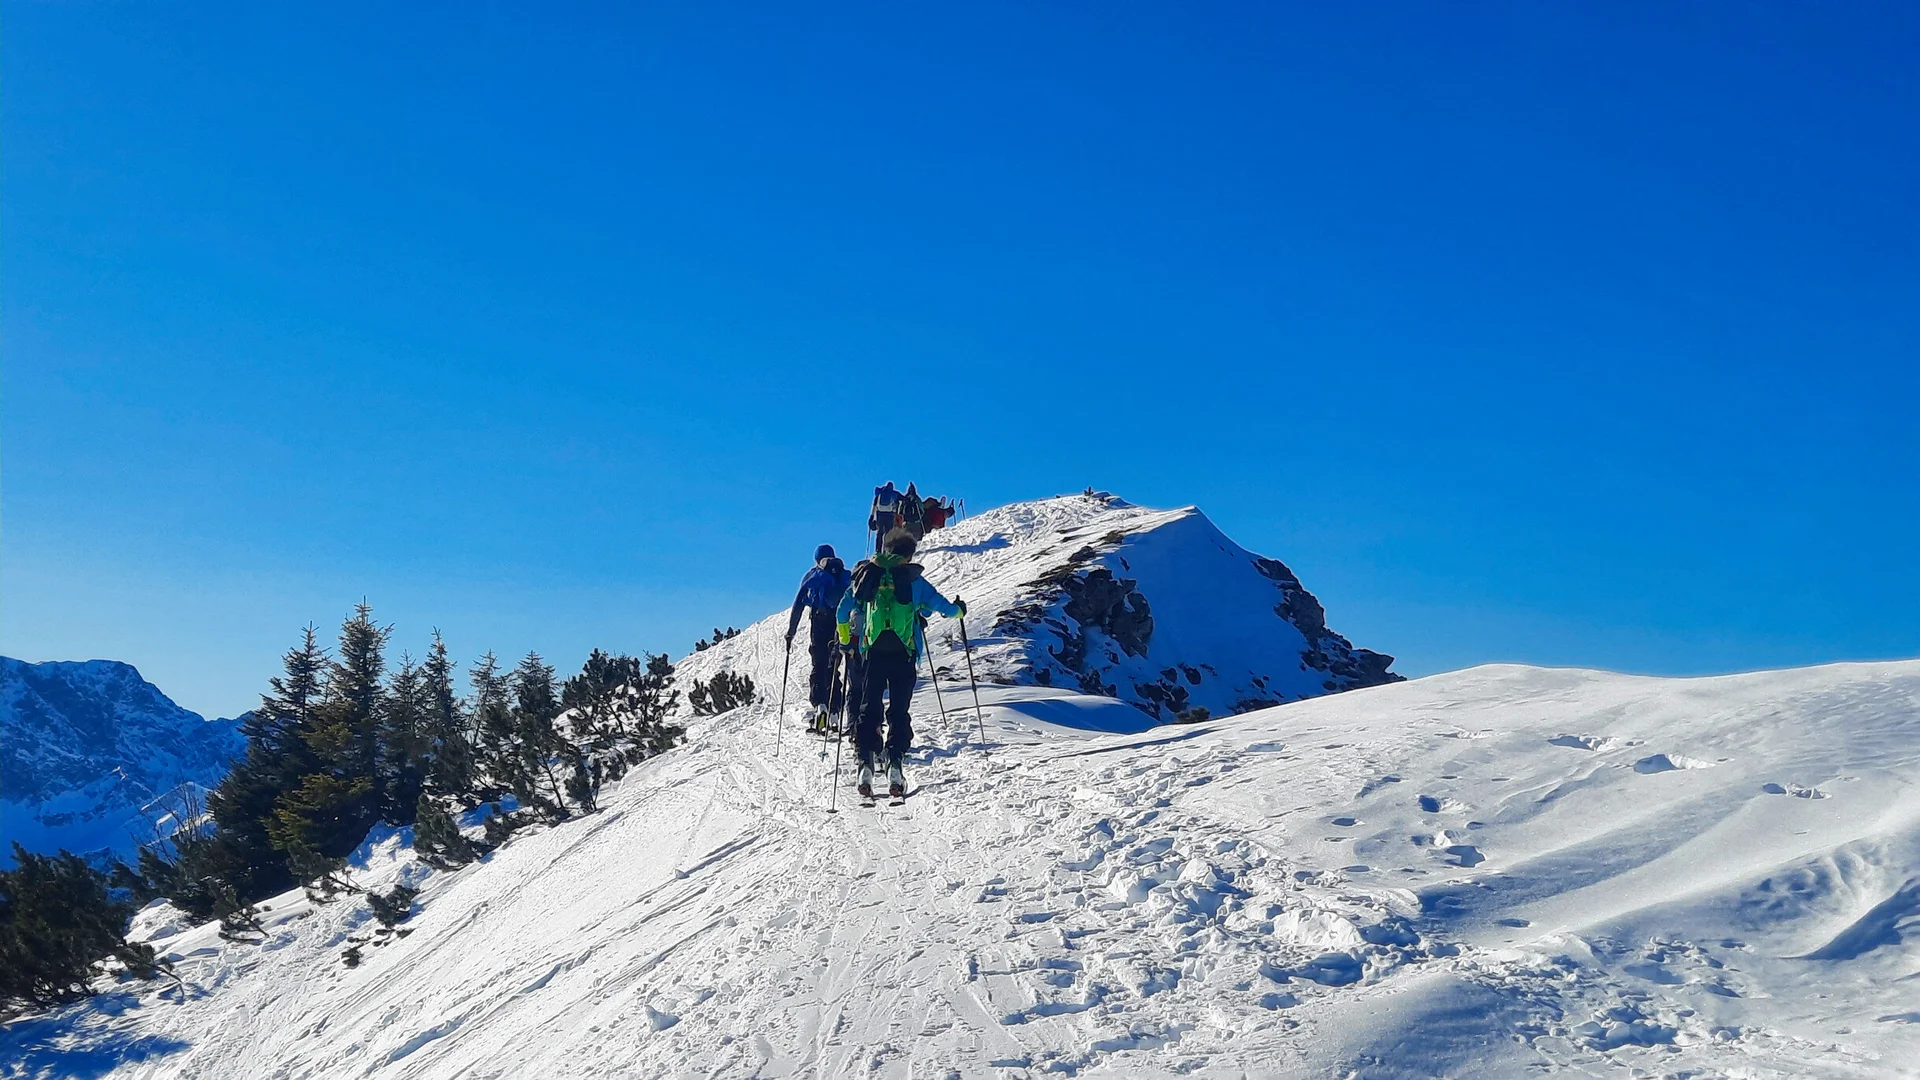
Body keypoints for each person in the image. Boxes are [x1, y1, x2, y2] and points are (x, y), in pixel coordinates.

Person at [836, 533, 964, 798]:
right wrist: (959, 610)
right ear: (910, 554)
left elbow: (842, 611)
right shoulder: (913, 579)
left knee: (869, 707)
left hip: (872, 653)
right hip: (904, 654)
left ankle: (866, 762)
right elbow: (945, 608)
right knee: (898, 709)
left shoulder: (866, 575)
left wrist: (847, 639)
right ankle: (895, 762)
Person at [786, 544, 851, 733]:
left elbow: (799, 602)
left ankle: (820, 707)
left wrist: (791, 632)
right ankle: (834, 713)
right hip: (839, 623)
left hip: (819, 622)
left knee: (819, 665)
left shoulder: (814, 574)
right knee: (834, 667)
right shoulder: (844, 575)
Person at [869, 482, 903, 552]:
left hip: (880, 515)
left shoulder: (880, 493)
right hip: (890, 515)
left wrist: (871, 517)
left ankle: (878, 551)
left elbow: (874, 506)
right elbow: (902, 498)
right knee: (888, 533)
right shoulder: (894, 493)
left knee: (880, 533)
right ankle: (886, 550)